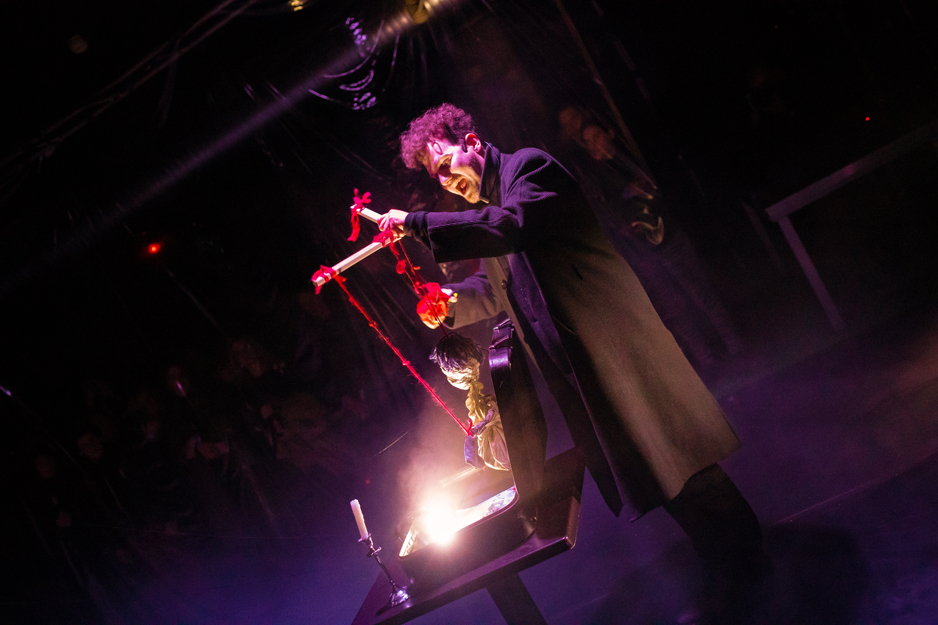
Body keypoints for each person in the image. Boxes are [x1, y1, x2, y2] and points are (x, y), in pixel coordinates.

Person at [379, 104, 766, 621]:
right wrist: (450, 302)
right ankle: (725, 563)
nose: (447, 182)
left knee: (683, 459)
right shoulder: (493, 208)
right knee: (659, 471)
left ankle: (748, 563)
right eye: (437, 178)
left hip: (621, 350)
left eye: (446, 165)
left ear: (471, 143)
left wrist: (418, 224)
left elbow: (512, 227)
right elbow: (496, 286)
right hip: (591, 367)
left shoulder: (528, 169)